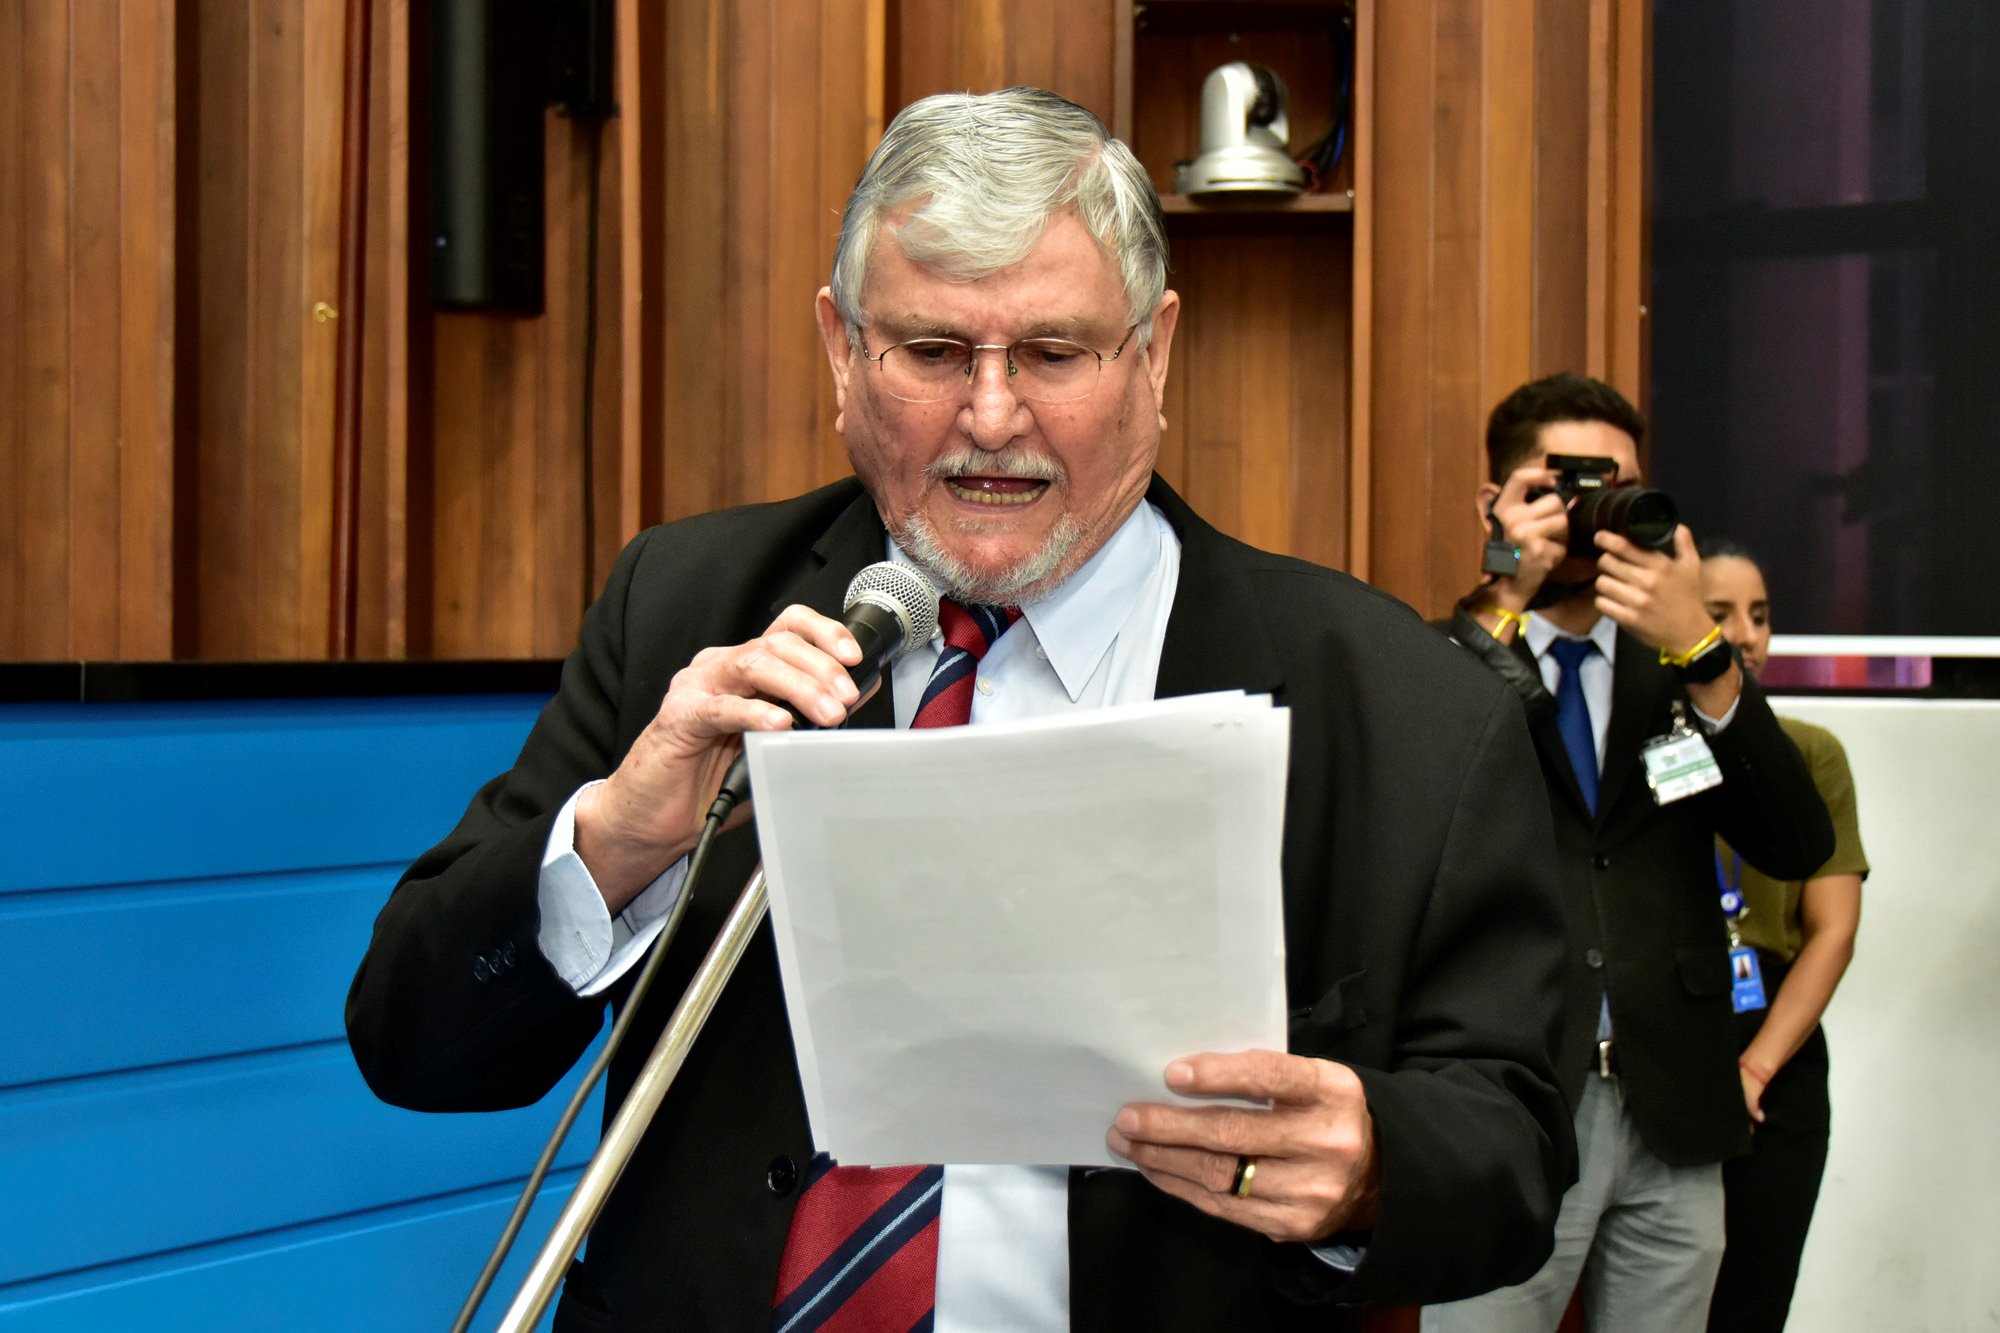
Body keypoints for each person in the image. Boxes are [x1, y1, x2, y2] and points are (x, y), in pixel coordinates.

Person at [346, 89, 1574, 1332]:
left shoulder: (1404, 704)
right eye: (932, 352)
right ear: (841, 350)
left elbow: (1514, 1150)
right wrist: (618, 841)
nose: (991, 418)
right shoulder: (682, 605)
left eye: (1053, 353)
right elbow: (413, 1042)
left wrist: (1368, 1169)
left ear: (1152, 353)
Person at [1424, 374, 1835, 1333]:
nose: (1591, 513)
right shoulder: (1446, 655)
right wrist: (1504, 593)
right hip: (1513, 1101)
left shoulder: (1680, 663)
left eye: (1614, 487)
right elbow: (1423, 807)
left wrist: (1703, 646)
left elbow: (1796, 841)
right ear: (1495, 504)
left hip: (1674, 1105)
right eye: (1563, 484)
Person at [1698, 539, 1868, 1333]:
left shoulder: (1811, 752)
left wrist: (1756, 1067)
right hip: (1674, 1032)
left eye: (1760, 616)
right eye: (1720, 613)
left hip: (1777, 1045)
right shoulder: (1653, 746)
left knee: (1752, 1302)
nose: (1746, 634)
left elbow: (1834, 931)